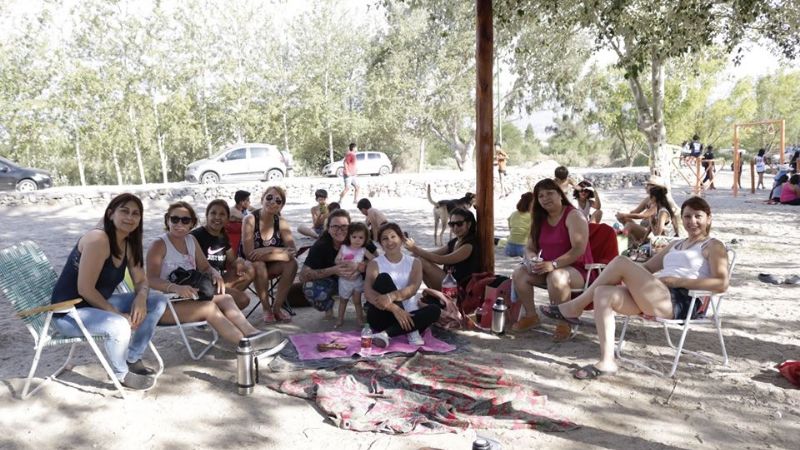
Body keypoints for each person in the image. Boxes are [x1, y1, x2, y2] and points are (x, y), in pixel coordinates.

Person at [539, 196, 729, 380]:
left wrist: (676, 281)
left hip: (680, 301)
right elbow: (646, 268)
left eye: (698, 216)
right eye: (687, 216)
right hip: (657, 294)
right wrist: (624, 274)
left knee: (620, 261)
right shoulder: (675, 244)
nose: (692, 221)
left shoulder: (713, 245)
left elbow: (721, 284)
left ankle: (575, 307)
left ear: (709, 218)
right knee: (603, 292)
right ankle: (607, 362)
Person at [50, 193, 168, 391]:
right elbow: (85, 289)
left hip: (97, 305)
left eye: (135, 213)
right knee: (118, 324)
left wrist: (140, 297)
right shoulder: (98, 240)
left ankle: (132, 356)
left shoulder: (128, 242)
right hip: (69, 313)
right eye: (124, 211)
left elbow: (141, 280)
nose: (130, 217)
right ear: (110, 213)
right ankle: (120, 374)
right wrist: (116, 313)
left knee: (157, 301)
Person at [146, 202, 262, 346]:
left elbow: (205, 266)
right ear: (167, 220)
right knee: (209, 307)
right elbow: (150, 280)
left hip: (190, 298)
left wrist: (214, 273)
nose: (179, 223)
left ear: (192, 223)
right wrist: (175, 288)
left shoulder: (190, 240)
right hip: (164, 305)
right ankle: (246, 346)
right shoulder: (159, 244)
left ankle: (253, 334)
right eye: (174, 219)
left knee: (226, 298)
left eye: (185, 220)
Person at [510, 178, 593, 341]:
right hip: (547, 267)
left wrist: (554, 264)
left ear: (560, 195)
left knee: (557, 276)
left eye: (550, 193)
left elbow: (578, 249)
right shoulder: (540, 219)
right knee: (520, 272)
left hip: (578, 270)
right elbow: (529, 248)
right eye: (541, 196)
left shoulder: (573, 215)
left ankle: (564, 323)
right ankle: (531, 316)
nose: (545, 198)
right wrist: (532, 259)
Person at [364, 223, 442, 347]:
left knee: (435, 310)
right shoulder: (374, 263)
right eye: (385, 238)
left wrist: (390, 297)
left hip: (409, 316)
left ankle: (386, 334)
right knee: (384, 278)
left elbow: (412, 289)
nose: (389, 241)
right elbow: (368, 293)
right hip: (382, 314)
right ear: (380, 244)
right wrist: (394, 308)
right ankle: (411, 330)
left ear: (401, 239)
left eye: (393, 237)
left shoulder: (415, 262)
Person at [299, 209, 375, 319]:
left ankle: (370, 305)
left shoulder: (360, 238)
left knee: (381, 276)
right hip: (332, 282)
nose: (340, 230)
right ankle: (328, 306)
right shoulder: (321, 245)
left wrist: (361, 265)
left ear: (350, 228)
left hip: (361, 280)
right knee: (310, 288)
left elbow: (380, 261)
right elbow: (303, 276)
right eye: (335, 226)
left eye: (344, 226)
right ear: (328, 229)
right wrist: (333, 270)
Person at [241, 187, 298, 323]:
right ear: (262, 199)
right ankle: (266, 308)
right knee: (259, 264)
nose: (273, 202)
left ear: (281, 206)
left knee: (292, 263)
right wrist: (280, 253)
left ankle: (277, 308)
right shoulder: (250, 220)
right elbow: (250, 255)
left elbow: (292, 252)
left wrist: (266, 250)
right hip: (252, 267)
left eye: (278, 201)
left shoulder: (281, 222)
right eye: (269, 197)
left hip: (273, 266)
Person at [191, 199, 255, 310]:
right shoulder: (195, 236)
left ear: (227, 219)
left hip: (219, 281)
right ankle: (207, 310)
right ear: (207, 215)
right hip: (201, 283)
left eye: (222, 214)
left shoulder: (223, 237)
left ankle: (217, 306)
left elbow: (232, 260)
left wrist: (239, 262)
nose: (217, 217)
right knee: (243, 299)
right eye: (213, 213)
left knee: (249, 268)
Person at [404, 207, 480, 291]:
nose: (455, 227)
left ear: (469, 224)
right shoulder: (455, 241)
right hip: (448, 282)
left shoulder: (469, 245)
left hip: (459, 289)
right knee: (416, 258)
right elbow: (433, 254)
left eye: (459, 224)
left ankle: (408, 290)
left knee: (420, 261)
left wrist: (415, 249)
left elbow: (441, 260)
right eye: (452, 224)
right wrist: (415, 252)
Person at [334, 222, 376, 328]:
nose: (357, 240)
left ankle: (360, 319)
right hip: (344, 281)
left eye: (361, 237)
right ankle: (340, 319)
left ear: (365, 239)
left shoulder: (363, 250)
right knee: (343, 301)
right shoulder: (344, 248)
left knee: (357, 302)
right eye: (354, 237)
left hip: (356, 281)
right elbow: (336, 260)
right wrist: (341, 262)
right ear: (349, 237)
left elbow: (374, 260)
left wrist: (363, 264)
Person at [505, 192, 533, 257]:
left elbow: (510, 227)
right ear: (531, 204)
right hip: (523, 247)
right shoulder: (532, 216)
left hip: (509, 247)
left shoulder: (513, 214)